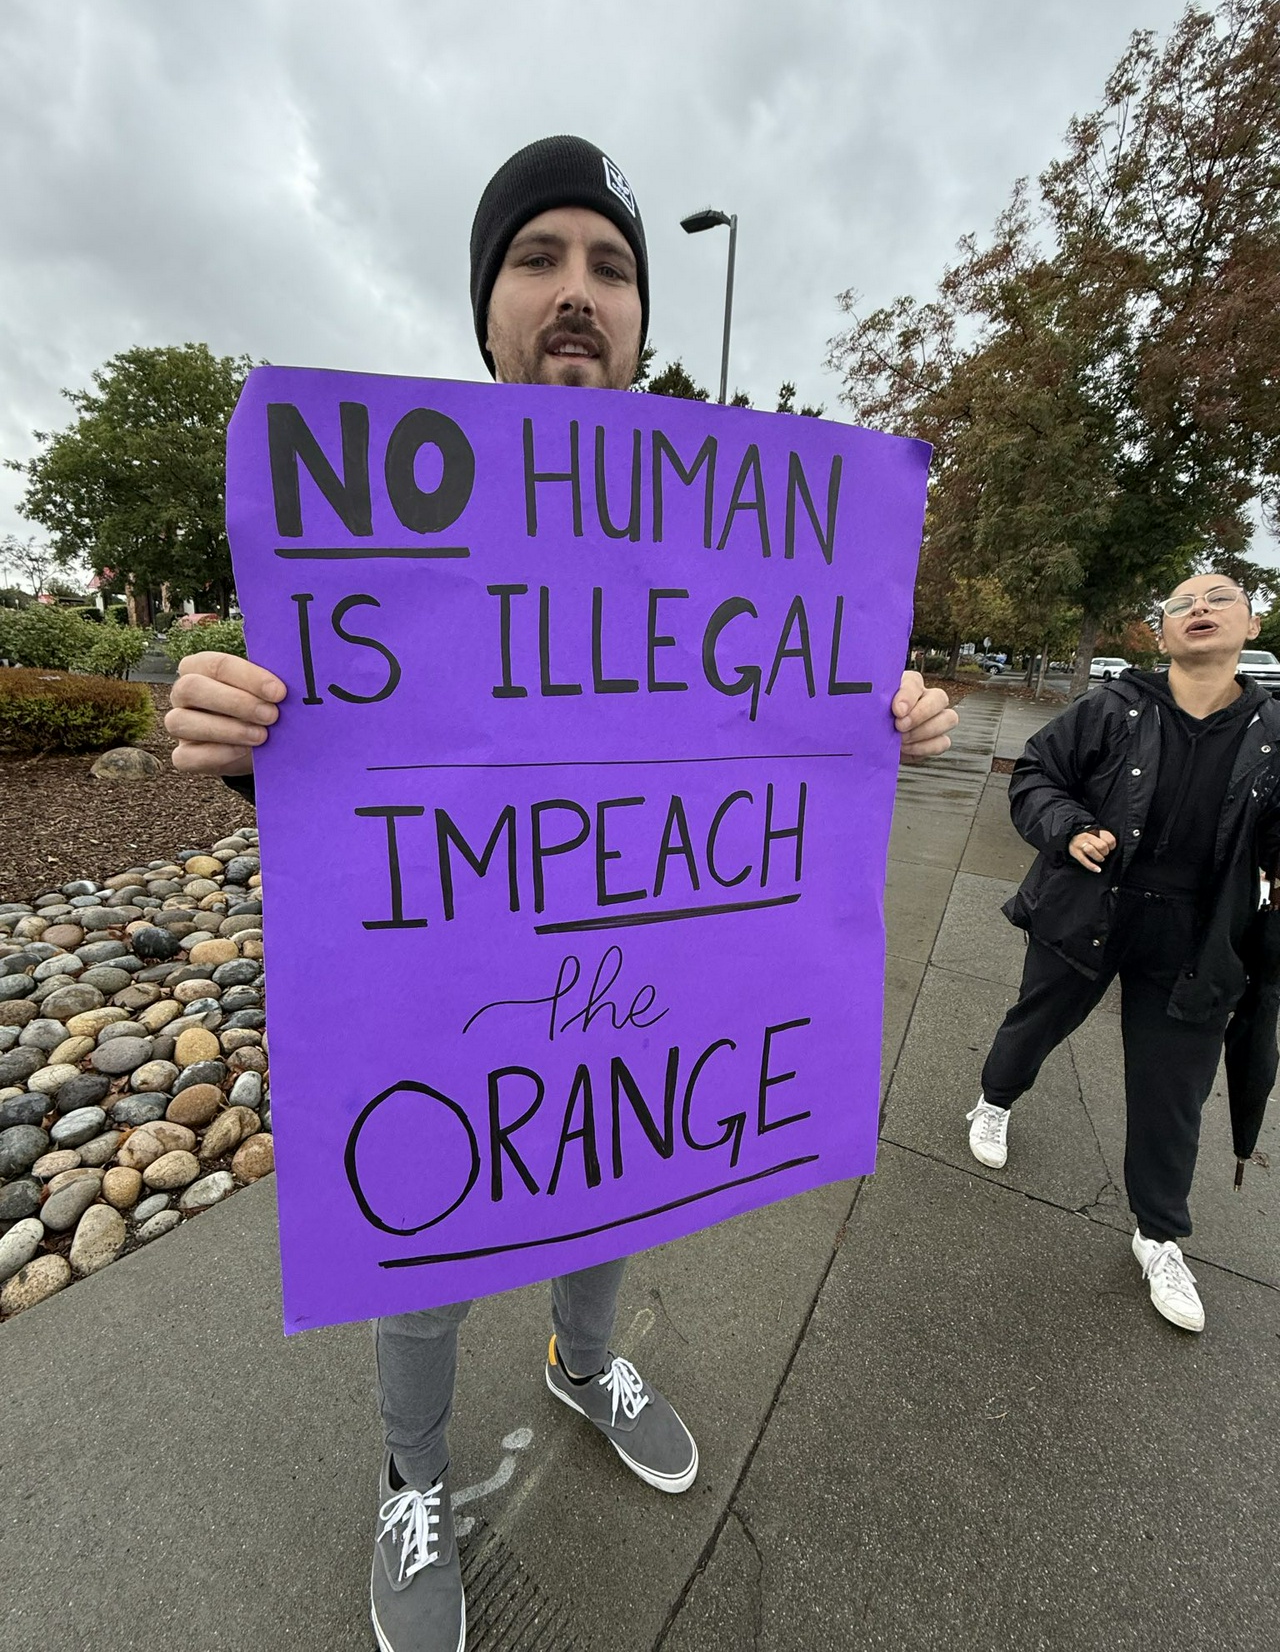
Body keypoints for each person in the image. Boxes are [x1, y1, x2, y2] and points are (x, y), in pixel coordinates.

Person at [166, 135, 959, 1652]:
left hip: (638, 989)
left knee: (610, 1177)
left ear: (642, 319)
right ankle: (411, 1473)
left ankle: (582, 1364)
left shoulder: (732, 539)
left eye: (609, 265)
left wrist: (888, 723)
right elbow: (357, 773)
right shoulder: (386, 532)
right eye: (537, 259)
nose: (576, 290)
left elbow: (775, 732)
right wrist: (237, 734)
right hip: (452, 993)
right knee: (426, 1244)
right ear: (488, 312)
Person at [967, 575, 1280, 1335]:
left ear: (1252, 623)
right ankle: (994, 1101)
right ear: (1161, 632)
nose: (1198, 609)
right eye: (1180, 604)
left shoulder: (1274, 731)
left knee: (1175, 1091)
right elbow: (1036, 775)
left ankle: (1160, 1235)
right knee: (1037, 1021)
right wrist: (1069, 828)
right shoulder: (1114, 707)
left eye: (1218, 599)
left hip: (1199, 939)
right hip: (1090, 908)